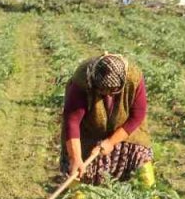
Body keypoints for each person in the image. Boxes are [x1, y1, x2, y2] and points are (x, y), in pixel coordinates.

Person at [60, 52, 155, 188]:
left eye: (113, 92)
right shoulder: (81, 81)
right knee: (77, 169)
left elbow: (137, 116)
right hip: (88, 129)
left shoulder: (133, 77)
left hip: (125, 128)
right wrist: (75, 158)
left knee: (142, 160)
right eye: (103, 91)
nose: (108, 95)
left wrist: (111, 142)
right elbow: (72, 121)